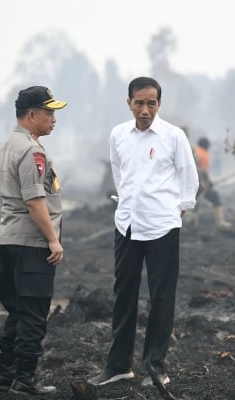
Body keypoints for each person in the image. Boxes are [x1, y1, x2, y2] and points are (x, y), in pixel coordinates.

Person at [88, 77, 199, 388]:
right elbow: (119, 173)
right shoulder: (118, 135)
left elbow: (189, 181)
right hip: (126, 225)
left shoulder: (174, 137)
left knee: (162, 298)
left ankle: (155, 366)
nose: (146, 109)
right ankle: (118, 365)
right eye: (140, 103)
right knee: (124, 295)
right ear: (129, 103)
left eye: (152, 103)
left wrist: (174, 210)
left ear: (159, 104)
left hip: (162, 227)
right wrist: (128, 206)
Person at [0, 86, 67, 395]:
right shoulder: (32, 150)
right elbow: (35, 201)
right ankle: (25, 379)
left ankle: (4, 376)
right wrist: (53, 240)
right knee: (34, 314)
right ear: (32, 115)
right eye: (49, 113)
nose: (54, 119)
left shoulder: (10, 143)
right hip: (32, 244)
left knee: (18, 312)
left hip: (10, 240)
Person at [192, 137, 231, 227]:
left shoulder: (195, 151)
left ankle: (193, 220)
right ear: (206, 146)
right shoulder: (204, 154)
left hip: (190, 183)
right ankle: (220, 221)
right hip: (199, 183)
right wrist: (208, 182)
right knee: (215, 197)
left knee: (194, 200)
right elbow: (203, 171)